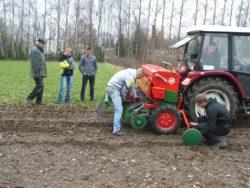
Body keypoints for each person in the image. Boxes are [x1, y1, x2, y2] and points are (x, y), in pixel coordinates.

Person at [106, 68, 144, 136]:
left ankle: (118, 123)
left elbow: (132, 87)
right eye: (140, 77)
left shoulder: (132, 72)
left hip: (114, 87)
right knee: (119, 109)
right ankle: (116, 131)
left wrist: (135, 97)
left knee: (121, 105)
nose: (139, 79)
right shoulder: (130, 78)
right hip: (113, 89)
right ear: (139, 74)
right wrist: (124, 99)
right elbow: (124, 91)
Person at [26, 38, 47, 105]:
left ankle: (39, 101)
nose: (44, 45)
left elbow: (41, 61)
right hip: (37, 72)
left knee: (41, 86)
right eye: (43, 44)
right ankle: (29, 98)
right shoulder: (35, 50)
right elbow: (35, 63)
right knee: (40, 86)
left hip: (41, 72)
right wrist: (37, 73)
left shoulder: (39, 50)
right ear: (39, 43)